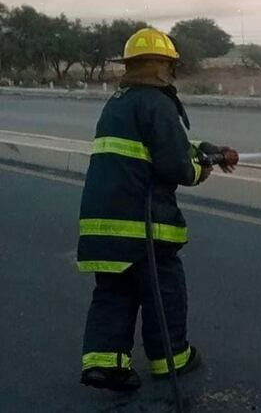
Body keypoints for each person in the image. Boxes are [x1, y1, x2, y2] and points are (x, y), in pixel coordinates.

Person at [78, 27, 238, 392]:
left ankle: (106, 365)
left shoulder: (119, 102)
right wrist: (202, 167)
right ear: (164, 66)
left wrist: (203, 147)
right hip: (143, 223)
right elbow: (176, 166)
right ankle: (172, 359)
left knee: (114, 291)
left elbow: (159, 144)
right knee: (164, 290)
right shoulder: (157, 102)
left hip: (103, 223)